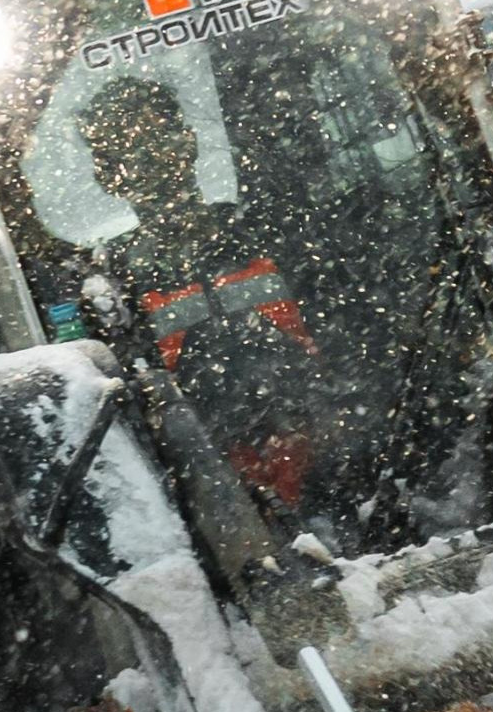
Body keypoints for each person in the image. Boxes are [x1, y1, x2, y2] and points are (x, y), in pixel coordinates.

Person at [73, 76, 326, 522]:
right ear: (107, 175)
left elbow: (345, 353)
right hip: (221, 517)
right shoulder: (110, 288)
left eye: (159, 138)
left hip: (340, 478)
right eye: (130, 151)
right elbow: (136, 423)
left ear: (188, 141)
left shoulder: (269, 232)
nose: (151, 161)